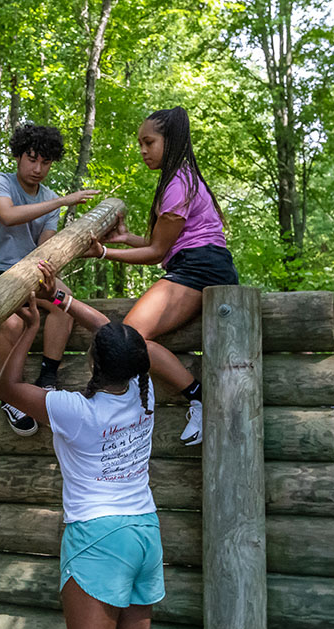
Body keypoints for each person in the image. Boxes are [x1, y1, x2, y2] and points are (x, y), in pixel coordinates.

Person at [0, 262, 163, 629]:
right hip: (144, 530)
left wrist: (33, 326)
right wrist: (61, 300)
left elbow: (8, 387)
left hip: (98, 539)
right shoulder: (144, 391)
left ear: (92, 359)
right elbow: (111, 332)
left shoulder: (75, 411)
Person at [87, 106, 238, 445]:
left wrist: (104, 252)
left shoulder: (177, 184)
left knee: (132, 337)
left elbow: (156, 254)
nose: (142, 150)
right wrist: (126, 240)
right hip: (196, 263)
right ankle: (190, 396)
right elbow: (163, 246)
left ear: (170, 142)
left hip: (201, 267)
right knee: (133, 336)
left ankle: (199, 397)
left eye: (148, 142)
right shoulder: (180, 179)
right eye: (140, 143)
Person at [0, 122, 99, 435]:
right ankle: (9, 394)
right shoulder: (1, 183)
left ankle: (48, 380)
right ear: (19, 156)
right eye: (32, 159)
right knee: (12, 323)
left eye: (46, 162)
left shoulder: (49, 197)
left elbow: (46, 246)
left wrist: (53, 267)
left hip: (29, 274)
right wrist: (62, 202)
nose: (38, 168)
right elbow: (8, 215)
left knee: (64, 304)